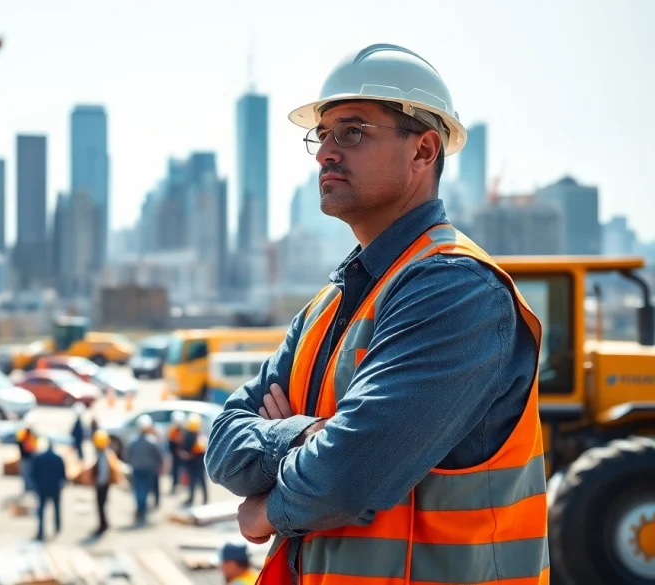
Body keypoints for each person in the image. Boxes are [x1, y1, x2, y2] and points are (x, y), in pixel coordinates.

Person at [204, 43, 547, 585]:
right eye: (322, 135)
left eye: (353, 132)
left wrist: (267, 507)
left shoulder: (456, 289)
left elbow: (346, 476)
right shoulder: (331, 303)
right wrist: (306, 437)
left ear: (424, 150)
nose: (325, 153)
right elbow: (222, 442)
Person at [125, 415, 164, 524]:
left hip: (137, 468)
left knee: (138, 489)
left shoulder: (133, 441)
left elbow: (127, 455)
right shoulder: (151, 441)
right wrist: (160, 466)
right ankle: (142, 509)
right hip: (149, 469)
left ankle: (140, 508)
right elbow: (159, 456)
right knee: (145, 490)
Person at [29, 438, 66, 541]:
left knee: (41, 510)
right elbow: (63, 475)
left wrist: (36, 485)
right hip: (55, 487)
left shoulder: (39, 457)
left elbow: (33, 474)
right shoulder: (58, 458)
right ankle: (57, 527)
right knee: (56, 508)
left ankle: (41, 531)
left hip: (42, 487)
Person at [90, 429, 118, 537]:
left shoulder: (103, 455)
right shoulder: (107, 453)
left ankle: (103, 526)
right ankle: (105, 524)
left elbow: (103, 472)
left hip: (102, 485)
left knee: (101, 506)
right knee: (103, 506)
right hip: (105, 484)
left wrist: (98, 483)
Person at [179, 413, 208, 507]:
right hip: (197, 463)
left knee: (196, 481)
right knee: (198, 481)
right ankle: (201, 498)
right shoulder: (199, 435)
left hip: (195, 463)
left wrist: (186, 455)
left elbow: (186, 450)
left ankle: (201, 499)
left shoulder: (195, 436)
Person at [166, 411, 186, 494]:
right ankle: (174, 486)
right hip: (175, 455)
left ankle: (184, 485)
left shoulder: (185, 431)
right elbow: (170, 443)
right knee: (175, 471)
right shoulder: (172, 431)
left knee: (184, 471)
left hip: (183, 454)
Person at [15, 426, 38, 496]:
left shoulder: (29, 439)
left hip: (27, 459)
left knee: (27, 475)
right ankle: (28, 488)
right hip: (26, 459)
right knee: (26, 475)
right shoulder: (25, 439)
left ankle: (30, 488)